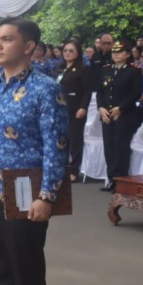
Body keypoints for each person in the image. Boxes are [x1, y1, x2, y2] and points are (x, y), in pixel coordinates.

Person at [0, 17, 68, 285]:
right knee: (1, 268)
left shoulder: (45, 89)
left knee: (26, 270)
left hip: (25, 192)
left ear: (29, 47)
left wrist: (47, 196)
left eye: (7, 39)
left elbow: (56, 145)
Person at [98, 39, 143, 192]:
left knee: (120, 148)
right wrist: (101, 108)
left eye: (119, 52)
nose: (115, 55)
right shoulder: (106, 69)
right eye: (114, 52)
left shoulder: (134, 71)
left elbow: (136, 93)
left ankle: (121, 181)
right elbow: (100, 92)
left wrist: (121, 108)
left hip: (124, 115)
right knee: (109, 148)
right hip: (106, 114)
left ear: (127, 54)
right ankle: (111, 180)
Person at [58, 39, 93, 182]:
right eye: (65, 50)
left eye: (71, 50)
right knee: (61, 140)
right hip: (60, 108)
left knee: (75, 140)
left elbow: (87, 90)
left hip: (75, 108)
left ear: (78, 53)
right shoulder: (60, 68)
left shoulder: (83, 69)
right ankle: (62, 167)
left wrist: (83, 107)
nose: (67, 53)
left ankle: (74, 170)